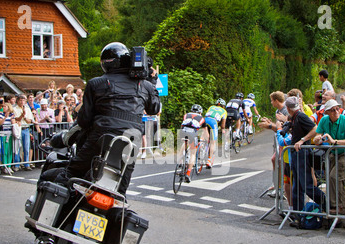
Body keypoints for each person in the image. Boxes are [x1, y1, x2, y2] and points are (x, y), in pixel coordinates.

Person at [56, 42, 160, 195]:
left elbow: (84, 121)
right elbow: (154, 109)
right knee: (119, 192)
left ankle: (56, 213)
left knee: (69, 175)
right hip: (131, 141)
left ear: (105, 64)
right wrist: (151, 82)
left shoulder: (95, 83)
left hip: (99, 137)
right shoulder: (145, 85)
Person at [287, 96, 326, 224]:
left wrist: (303, 140)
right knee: (297, 187)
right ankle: (298, 215)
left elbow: (315, 128)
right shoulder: (295, 117)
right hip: (296, 153)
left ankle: (327, 205)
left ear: (288, 108)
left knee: (307, 185)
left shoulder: (301, 116)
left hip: (302, 153)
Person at [313, 99, 345, 214]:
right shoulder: (324, 120)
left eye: (337, 109)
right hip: (334, 152)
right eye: (332, 110)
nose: (336, 111)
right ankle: (335, 206)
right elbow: (317, 137)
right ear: (327, 112)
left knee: (334, 177)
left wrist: (334, 141)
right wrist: (318, 139)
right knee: (331, 178)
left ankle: (339, 206)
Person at [180, 104, 208, 182]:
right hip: (192, 133)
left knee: (184, 143)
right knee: (193, 153)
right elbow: (205, 131)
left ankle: (180, 162)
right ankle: (188, 174)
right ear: (200, 112)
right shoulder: (202, 118)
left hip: (183, 131)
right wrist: (206, 140)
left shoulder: (187, 114)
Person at [13, 94, 34, 171]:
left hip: (26, 129)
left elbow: (30, 121)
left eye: (23, 100)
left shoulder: (28, 109)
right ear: (17, 101)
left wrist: (24, 117)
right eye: (20, 100)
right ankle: (17, 164)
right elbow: (16, 119)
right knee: (18, 147)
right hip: (18, 129)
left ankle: (26, 164)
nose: (22, 102)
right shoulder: (14, 109)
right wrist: (22, 115)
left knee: (26, 147)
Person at [204, 98, 227, 168]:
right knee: (212, 142)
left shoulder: (211, 107)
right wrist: (223, 129)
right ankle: (209, 160)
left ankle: (200, 147)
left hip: (204, 120)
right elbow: (223, 125)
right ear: (223, 106)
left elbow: (207, 115)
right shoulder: (224, 111)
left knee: (203, 136)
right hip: (213, 122)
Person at [0, 102, 16, 173]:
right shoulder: (1, 115)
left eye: (5, 106)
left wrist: (11, 118)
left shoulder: (12, 115)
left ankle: (9, 165)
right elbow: (0, 123)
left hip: (10, 134)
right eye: (3, 106)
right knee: (4, 150)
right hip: (3, 134)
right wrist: (5, 117)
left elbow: (13, 123)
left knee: (9, 150)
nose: (3, 108)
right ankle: (4, 165)